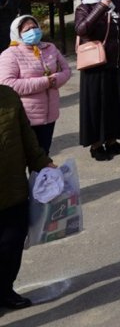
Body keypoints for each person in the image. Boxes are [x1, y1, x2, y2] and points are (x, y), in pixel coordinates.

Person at [0, 81, 55, 312]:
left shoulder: (8, 97)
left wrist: (44, 164)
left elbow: (27, 138)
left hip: (13, 190)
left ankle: (4, 290)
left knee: (11, 245)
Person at [75, 0, 120, 161]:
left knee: (115, 103)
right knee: (97, 105)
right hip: (95, 65)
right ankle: (96, 145)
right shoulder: (84, 8)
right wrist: (101, 8)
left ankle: (112, 141)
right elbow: (82, 29)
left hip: (118, 63)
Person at [0, 14, 71, 155]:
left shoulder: (50, 48)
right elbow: (6, 84)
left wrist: (56, 79)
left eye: (34, 27)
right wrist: (44, 82)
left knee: (43, 155)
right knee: (26, 158)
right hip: (26, 118)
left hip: (49, 115)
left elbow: (66, 70)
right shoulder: (10, 54)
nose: (32, 31)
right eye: (26, 30)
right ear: (17, 33)